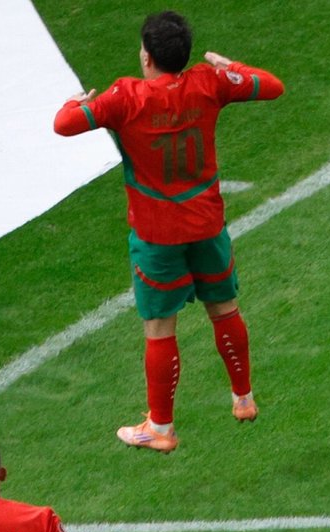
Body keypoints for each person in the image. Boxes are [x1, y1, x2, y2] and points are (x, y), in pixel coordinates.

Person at [54, 10, 284, 453]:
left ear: (146, 56)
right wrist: (231, 68)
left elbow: (65, 124)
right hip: (206, 225)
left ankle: (161, 427)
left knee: (160, 327)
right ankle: (243, 399)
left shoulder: (126, 97)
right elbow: (272, 86)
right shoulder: (208, 82)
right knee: (225, 308)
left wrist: (76, 100)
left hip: (157, 237)